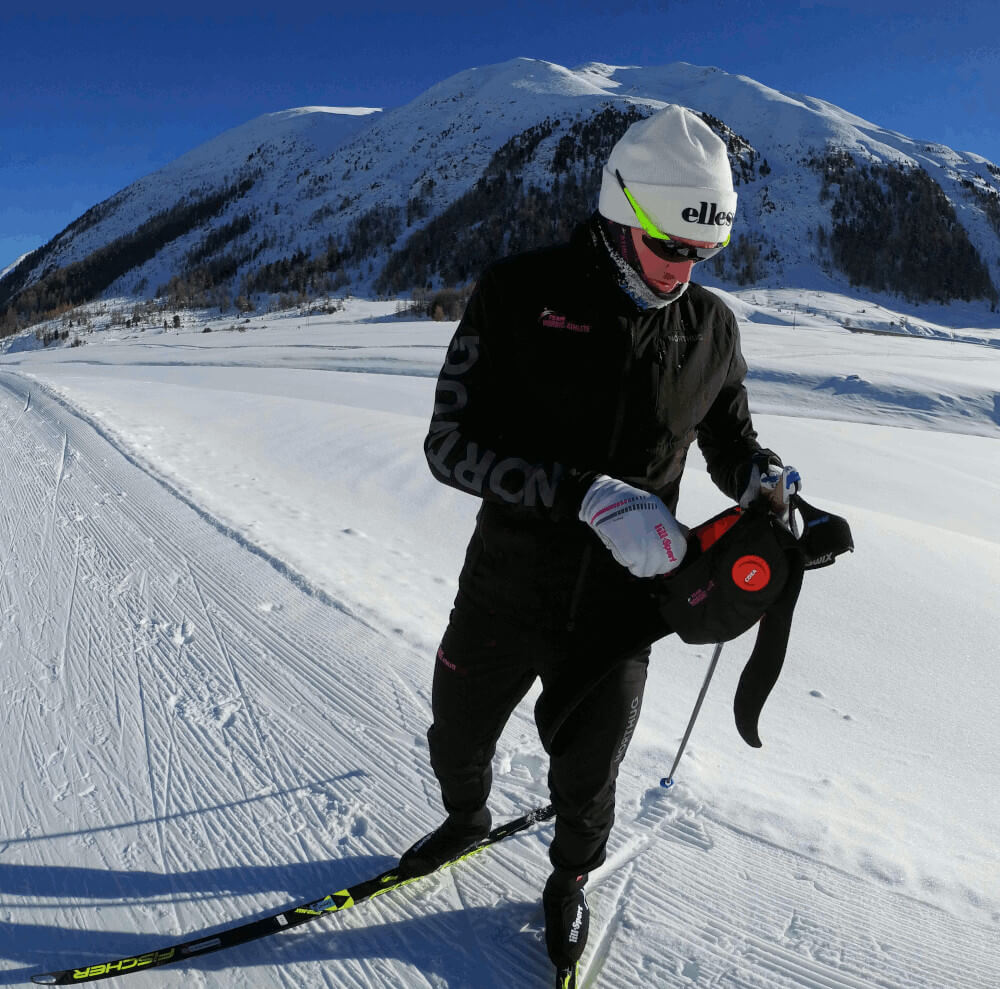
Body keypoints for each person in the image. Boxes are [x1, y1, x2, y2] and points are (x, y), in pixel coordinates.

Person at [399, 105, 800, 976]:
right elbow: (449, 445)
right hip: (506, 584)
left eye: (705, 254)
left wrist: (764, 477)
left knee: (588, 781)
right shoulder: (518, 293)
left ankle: (569, 879)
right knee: (456, 738)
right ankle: (466, 817)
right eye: (671, 247)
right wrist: (580, 493)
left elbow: (729, 439)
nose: (684, 270)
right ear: (622, 210)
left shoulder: (712, 328)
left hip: (624, 610)